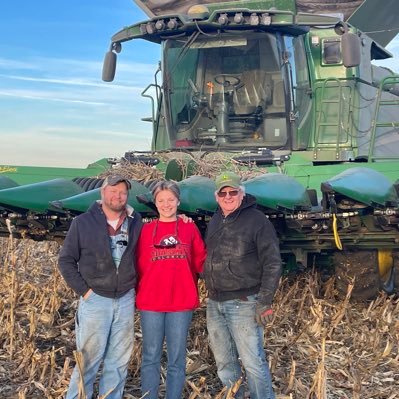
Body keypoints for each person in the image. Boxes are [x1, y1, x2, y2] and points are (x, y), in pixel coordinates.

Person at [58, 174, 142, 399]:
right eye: (113, 191)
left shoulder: (136, 221)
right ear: (102, 193)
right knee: (87, 361)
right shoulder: (82, 223)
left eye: (123, 192)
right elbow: (65, 260)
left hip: (125, 299)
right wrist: (85, 291)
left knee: (118, 362)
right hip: (96, 301)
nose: (118, 196)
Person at [203, 171, 282, 399]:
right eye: (223, 193)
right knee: (224, 362)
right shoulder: (216, 219)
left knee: (253, 362)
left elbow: (273, 262)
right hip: (215, 302)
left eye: (233, 192)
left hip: (244, 303)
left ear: (241, 193)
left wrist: (264, 301)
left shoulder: (257, 221)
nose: (228, 197)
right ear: (217, 196)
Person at [135, 180, 207, 399]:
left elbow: (200, 261)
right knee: (150, 356)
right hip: (151, 303)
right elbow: (138, 265)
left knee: (176, 358)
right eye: (161, 200)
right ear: (155, 203)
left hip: (181, 303)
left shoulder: (189, 227)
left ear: (178, 201)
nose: (166, 204)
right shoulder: (146, 231)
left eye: (170, 200)